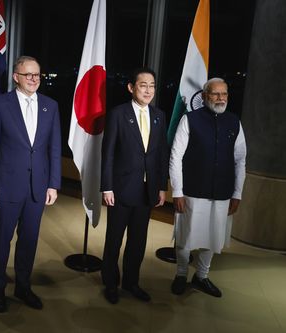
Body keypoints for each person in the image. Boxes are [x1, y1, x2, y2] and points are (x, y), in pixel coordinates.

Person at [0, 56, 61, 313]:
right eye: (28, 75)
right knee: (2, 240)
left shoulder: (51, 106)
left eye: (37, 74)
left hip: (37, 188)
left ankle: (23, 287)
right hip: (7, 187)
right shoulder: (0, 105)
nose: (33, 79)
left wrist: (53, 184)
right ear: (16, 77)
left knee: (29, 240)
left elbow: (54, 149)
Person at [169, 78, 246, 298]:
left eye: (224, 94)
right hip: (192, 191)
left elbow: (241, 160)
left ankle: (201, 276)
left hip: (222, 192)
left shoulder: (234, 122)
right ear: (204, 96)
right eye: (215, 94)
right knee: (185, 236)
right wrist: (177, 191)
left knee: (213, 236)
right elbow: (176, 157)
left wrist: (237, 193)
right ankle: (181, 274)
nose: (221, 99)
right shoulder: (189, 119)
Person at [100, 67, 169, 304]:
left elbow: (161, 155)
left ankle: (131, 282)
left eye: (152, 86)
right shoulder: (118, 114)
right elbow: (107, 154)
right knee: (114, 241)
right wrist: (106, 187)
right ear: (131, 87)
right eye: (143, 85)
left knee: (138, 242)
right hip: (120, 190)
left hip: (147, 191)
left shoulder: (160, 116)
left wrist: (161, 187)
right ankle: (110, 283)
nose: (148, 90)